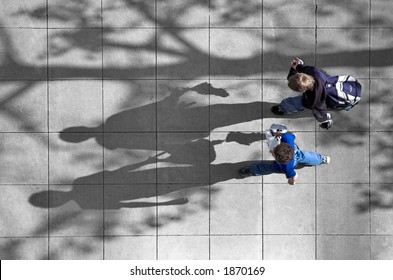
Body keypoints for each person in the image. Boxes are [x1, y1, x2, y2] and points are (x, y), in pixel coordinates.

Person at [239, 124, 330, 185]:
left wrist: (291, 181)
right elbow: (294, 135)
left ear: (277, 159)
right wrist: (284, 133)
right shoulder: (287, 139)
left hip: (284, 165)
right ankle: (321, 159)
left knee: (267, 168)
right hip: (296, 154)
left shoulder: (286, 168)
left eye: (273, 153)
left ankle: (253, 170)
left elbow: (295, 176)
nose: (272, 152)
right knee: (306, 156)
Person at [271, 57, 335, 129]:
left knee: (295, 103)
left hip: (311, 100)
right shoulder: (315, 72)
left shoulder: (314, 100)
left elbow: (320, 110)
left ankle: (283, 108)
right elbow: (304, 71)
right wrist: (297, 66)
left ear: (303, 91)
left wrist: (324, 120)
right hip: (329, 84)